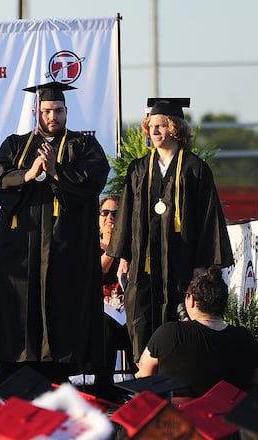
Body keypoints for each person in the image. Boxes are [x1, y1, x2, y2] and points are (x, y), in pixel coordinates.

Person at [0, 81, 110, 384]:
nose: (52, 116)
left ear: (66, 111)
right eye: (47, 111)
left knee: (61, 308)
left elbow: (94, 179)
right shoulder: (16, 145)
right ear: (35, 111)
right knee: (19, 310)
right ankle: (16, 371)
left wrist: (55, 171)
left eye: (58, 111)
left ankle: (59, 375)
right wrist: (27, 174)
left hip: (65, 248)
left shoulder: (83, 146)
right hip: (21, 250)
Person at [107, 98, 234, 365]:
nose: (154, 131)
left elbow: (208, 219)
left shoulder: (195, 169)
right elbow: (127, 216)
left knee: (180, 319)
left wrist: (201, 266)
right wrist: (123, 257)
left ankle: (178, 382)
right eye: (151, 126)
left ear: (175, 128)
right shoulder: (139, 168)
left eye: (161, 125)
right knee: (141, 317)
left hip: (182, 264)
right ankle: (142, 383)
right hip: (145, 266)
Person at [136, 266, 258, 397]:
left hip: (178, 416)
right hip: (227, 415)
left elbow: (145, 376)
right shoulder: (245, 338)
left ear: (192, 300)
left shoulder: (169, 333)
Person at [98, 195, 133, 385]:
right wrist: (114, 246)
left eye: (116, 213)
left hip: (128, 310)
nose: (110, 217)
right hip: (103, 312)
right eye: (105, 212)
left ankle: (143, 386)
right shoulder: (90, 244)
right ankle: (104, 386)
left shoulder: (133, 246)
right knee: (105, 328)